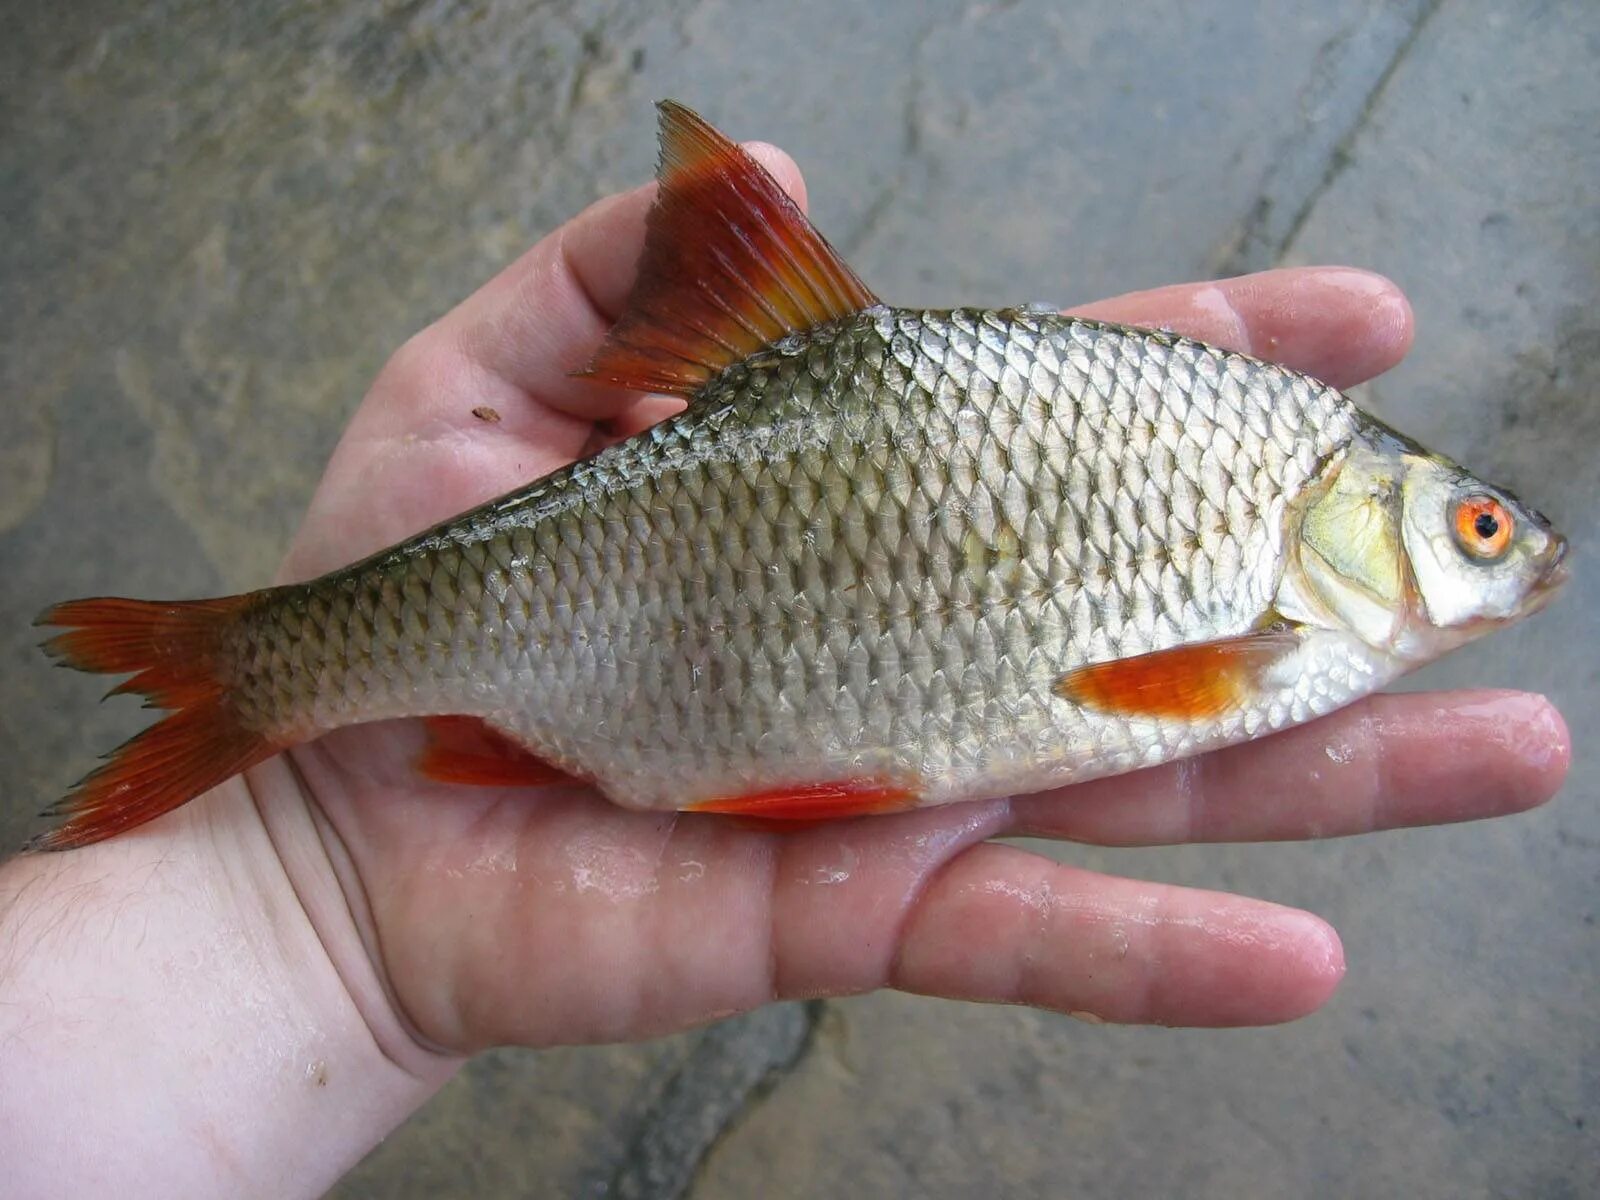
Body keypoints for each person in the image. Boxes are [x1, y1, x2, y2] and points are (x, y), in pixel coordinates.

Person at [0, 140, 1569, 1198]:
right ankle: (248, 678)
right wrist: (300, 900)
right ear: (1350, 516)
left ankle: (245, 687)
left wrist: (305, 917)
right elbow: (1135, 696)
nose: (1498, 556)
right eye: (1479, 528)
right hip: (723, 600)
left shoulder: (1256, 482)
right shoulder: (1263, 622)